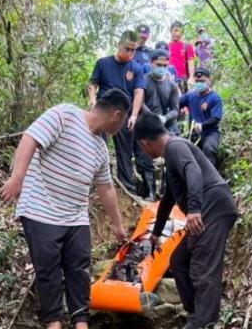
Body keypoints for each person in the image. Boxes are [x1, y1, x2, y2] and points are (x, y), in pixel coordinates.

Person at [2, 89, 131, 329]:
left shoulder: (100, 148)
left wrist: (117, 225)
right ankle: (53, 325)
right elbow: (30, 139)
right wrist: (18, 177)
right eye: (124, 120)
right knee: (48, 268)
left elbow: (105, 188)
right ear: (116, 115)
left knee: (79, 267)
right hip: (41, 208)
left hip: (75, 215)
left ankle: (81, 326)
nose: (122, 126)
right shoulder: (65, 115)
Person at [134, 114, 238, 329]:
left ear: (145, 142)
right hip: (207, 208)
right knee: (179, 260)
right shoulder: (171, 158)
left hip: (213, 207)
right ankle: (195, 320)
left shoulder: (176, 146)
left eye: (139, 146)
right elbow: (169, 197)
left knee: (203, 270)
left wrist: (194, 209)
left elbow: (193, 171)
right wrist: (156, 232)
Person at [88, 30, 147, 195]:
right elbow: (92, 84)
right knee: (99, 148)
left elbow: (138, 93)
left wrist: (134, 115)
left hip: (123, 114)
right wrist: (92, 100)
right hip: (103, 111)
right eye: (126, 49)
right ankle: (97, 186)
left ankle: (127, 188)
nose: (129, 53)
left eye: (133, 50)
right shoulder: (103, 63)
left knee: (125, 152)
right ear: (118, 45)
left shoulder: (136, 68)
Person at [139, 49, 182, 201]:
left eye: (165, 65)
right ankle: (150, 191)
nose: (162, 67)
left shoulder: (171, 85)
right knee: (143, 156)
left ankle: (166, 193)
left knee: (171, 159)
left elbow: (176, 110)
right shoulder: (143, 81)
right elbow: (140, 102)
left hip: (166, 125)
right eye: (159, 64)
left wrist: (164, 118)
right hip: (146, 123)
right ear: (151, 63)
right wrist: (152, 117)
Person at [179, 67, 223, 167]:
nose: (199, 83)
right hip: (193, 134)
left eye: (202, 81)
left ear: (209, 80)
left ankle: (212, 179)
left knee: (209, 149)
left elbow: (216, 118)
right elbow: (177, 104)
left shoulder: (215, 98)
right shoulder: (191, 95)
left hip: (210, 133)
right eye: (197, 81)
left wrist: (202, 125)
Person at [167, 21, 196, 92]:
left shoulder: (187, 46)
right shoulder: (166, 47)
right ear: (171, 31)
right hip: (168, 79)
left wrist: (191, 77)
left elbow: (190, 62)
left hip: (183, 79)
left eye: (180, 32)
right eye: (175, 30)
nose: (177, 34)